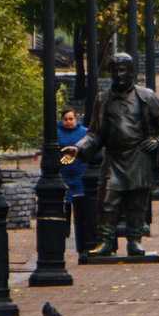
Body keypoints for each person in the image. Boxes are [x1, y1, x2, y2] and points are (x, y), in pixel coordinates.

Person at [66, 54, 159, 258]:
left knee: (136, 203)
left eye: (122, 70)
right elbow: (95, 134)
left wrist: (158, 141)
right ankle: (105, 242)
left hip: (138, 157)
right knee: (106, 201)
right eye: (114, 70)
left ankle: (135, 242)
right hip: (113, 159)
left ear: (131, 71)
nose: (118, 74)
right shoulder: (103, 99)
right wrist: (78, 149)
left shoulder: (146, 96)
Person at [58, 108, 92, 254]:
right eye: (65, 119)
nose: (68, 122)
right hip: (64, 171)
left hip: (79, 171)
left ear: (76, 119)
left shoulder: (84, 132)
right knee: (65, 202)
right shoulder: (57, 133)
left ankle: (81, 228)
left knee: (79, 200)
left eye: (71, 119)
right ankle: (65, 230)